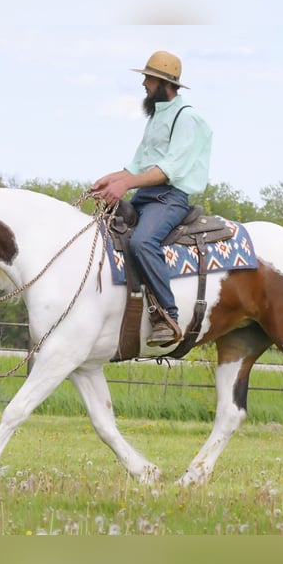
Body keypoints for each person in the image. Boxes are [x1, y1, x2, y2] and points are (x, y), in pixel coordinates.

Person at [92, 50, 213, 347]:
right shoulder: (157, 116)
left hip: (170, 198)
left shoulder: (188, 118)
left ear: (164, 83)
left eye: (148, 78)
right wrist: (111, 179)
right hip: (147, 195)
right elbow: (138, 164)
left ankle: (167, 316)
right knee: (102, 230)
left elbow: (168, 170)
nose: (143, 83)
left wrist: (125, 185)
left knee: (142, 242)